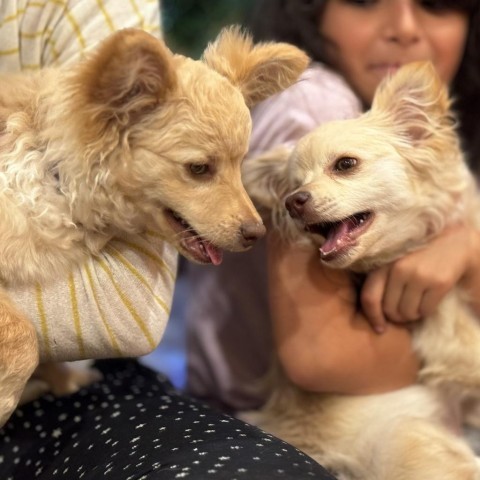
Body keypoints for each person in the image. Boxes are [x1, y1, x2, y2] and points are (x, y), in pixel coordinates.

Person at [0, 1, 336, 479]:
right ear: (121, 112)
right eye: (200, 169)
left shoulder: (87, 14)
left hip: (75, 398)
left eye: (233, 166)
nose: (247, 220)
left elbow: (131, 319)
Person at [185, 0, 480, 412]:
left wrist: (467, 251)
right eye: (365, 1)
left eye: (435, 5)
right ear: (310, 10)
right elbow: (321, 359)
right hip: (260, 426)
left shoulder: (403, 126)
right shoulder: (315, 108)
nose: (404, 28)